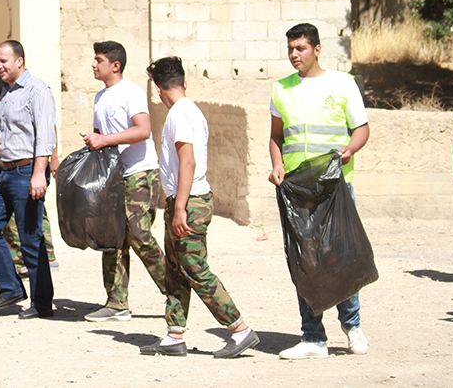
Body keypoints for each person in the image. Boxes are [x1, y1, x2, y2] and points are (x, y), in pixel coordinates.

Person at [138, 56, 258, 358]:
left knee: (194, 269)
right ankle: (174, 335)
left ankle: (240, 328)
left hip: (188, 201)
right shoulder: (191, 110)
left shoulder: (179, 114)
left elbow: (187, 162)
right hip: (185, 200)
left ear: (158, 88)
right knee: (175, 271)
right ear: (184, 82)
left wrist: (179, 208)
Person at [269, 23, 370, 359]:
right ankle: (313, 338)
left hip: (334, 187)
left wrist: (350, 149)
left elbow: (361, 128)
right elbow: (276, 136)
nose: (294, 54)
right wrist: (277, 165)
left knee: (340, 257)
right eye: (290, 49)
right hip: (298, 191)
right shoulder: (281, 89)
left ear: (317, 49)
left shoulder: (343, 84)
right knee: (305, 261)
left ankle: (352, 327)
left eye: (300, 48)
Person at [83, 40, 166, 322]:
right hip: (113, 177)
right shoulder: (99, 97)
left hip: (140, 172)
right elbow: (100, 135)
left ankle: (175, 290)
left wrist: (104, 139)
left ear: (115, 65)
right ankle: (117, 303)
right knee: (112, 237)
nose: (93, 64)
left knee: (139, 235)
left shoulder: (131, 91)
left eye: (99, 60)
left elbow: (143, 130)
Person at [0, 40, 56, 319]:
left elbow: (45, 135)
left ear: (19, 61)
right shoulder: (6, 91)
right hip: (0, 171)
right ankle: (10, 289)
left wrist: (39, 173)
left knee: (30, 237)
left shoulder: (37, 90)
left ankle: (41, 302)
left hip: (25, 171)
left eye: (4, 61)